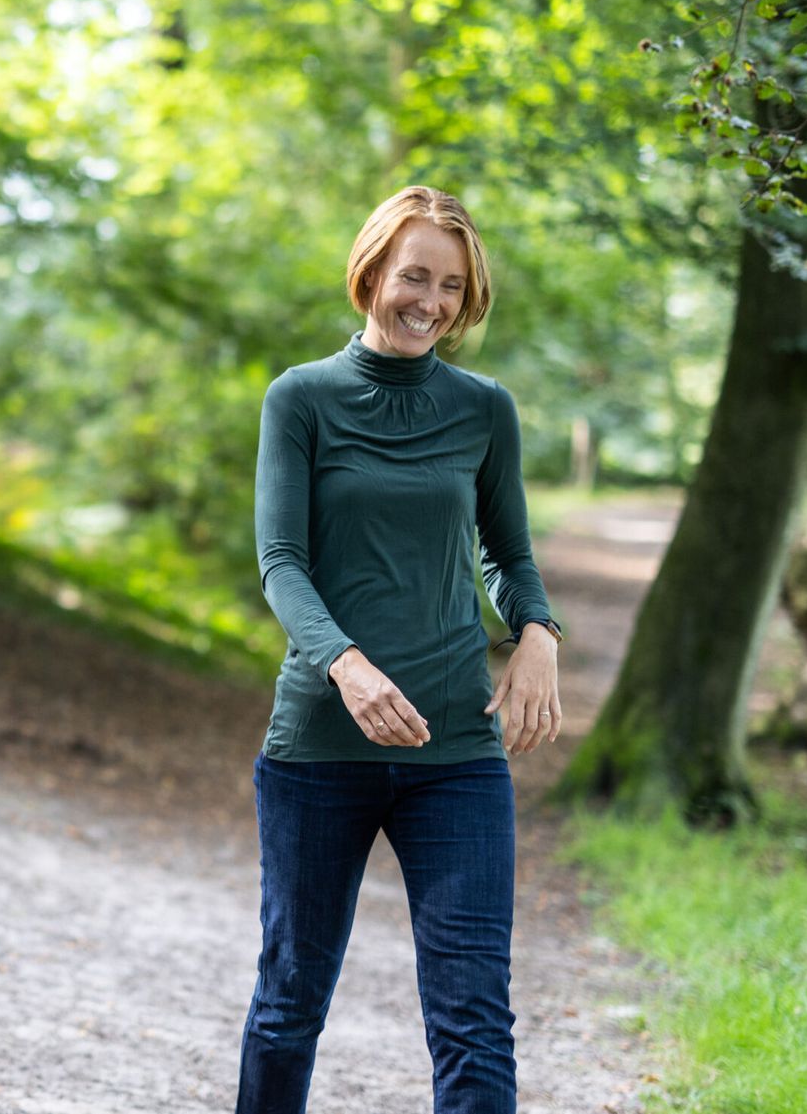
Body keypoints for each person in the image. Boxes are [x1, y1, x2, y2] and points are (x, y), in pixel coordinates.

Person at [236, 186, 563, 1112]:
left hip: (457, 751)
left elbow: (508, 553)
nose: (431, 300)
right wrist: (346, 662)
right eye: (415, 275)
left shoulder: (483, 409)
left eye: (452, 286)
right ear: (372, 271)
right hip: (320, 750)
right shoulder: (301, 398)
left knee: (472, 1017)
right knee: (290, 1004)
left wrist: (536, 629)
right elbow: (282, 561)